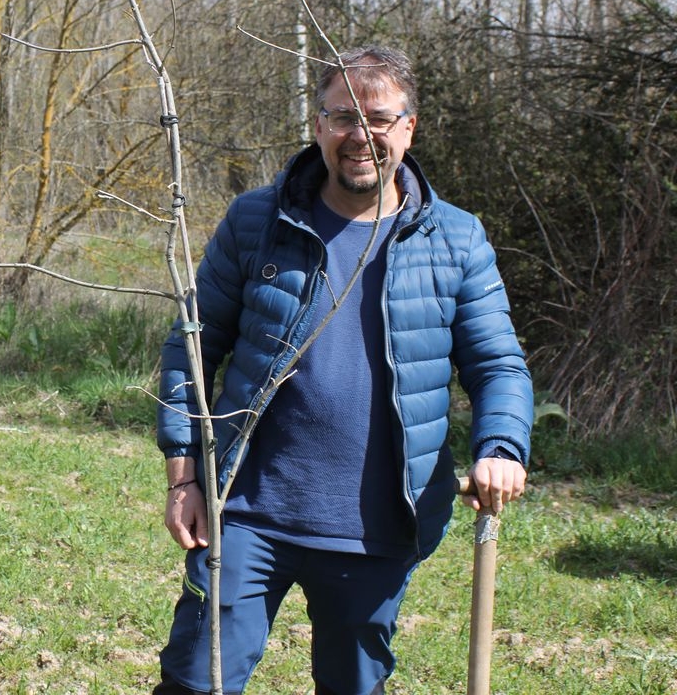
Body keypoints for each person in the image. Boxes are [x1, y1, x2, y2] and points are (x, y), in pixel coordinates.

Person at [153, 46, 533, 695]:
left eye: (379, 119)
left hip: (379, 528)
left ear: (409, 128)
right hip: (244, 509)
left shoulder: (455, 239)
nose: (360, 135)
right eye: (341, 116)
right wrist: (184, 477)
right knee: (196, 678)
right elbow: (191, 349)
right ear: (318, 126)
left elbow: (497, 364)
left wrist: (500, 446)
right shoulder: (257, 221)